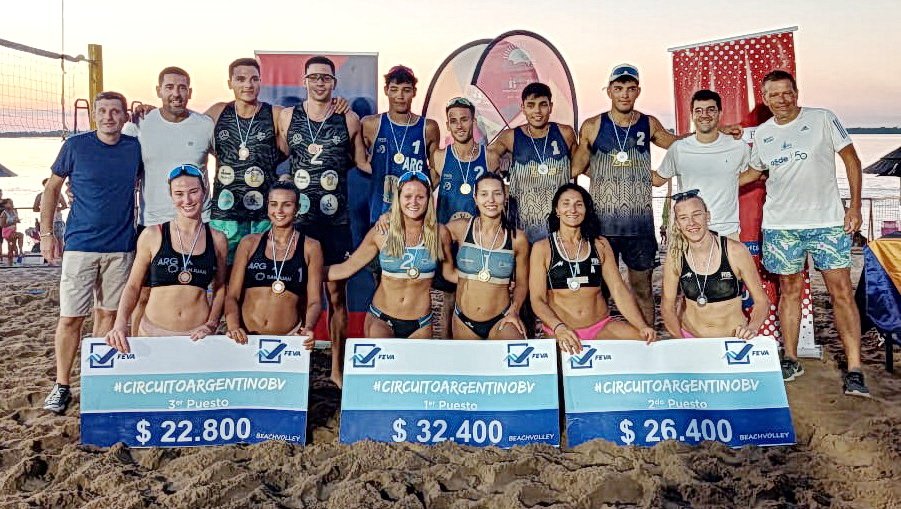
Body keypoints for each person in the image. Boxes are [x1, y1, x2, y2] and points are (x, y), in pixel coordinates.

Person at [745, 70, 869, 396]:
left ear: (796, 92)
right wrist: (715, 182)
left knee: (840, 291)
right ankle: (790, 357)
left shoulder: (823, 119)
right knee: (789, 291)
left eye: (788, 92)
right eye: (774, 94)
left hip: (827, 222)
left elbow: (852, 161)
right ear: (765, 98)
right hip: (782, 226)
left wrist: (854, 207)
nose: (782, 99)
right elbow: (755, 172)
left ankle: (855, 369)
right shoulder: (763, 134)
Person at [40, 91, 142, 414]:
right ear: (94, 116)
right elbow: (52, 189)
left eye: (116, 111)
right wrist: (46, 234)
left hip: (121, 247)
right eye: (103, 111)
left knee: (108, 316)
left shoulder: (134, 148)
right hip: (80, 246)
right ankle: (61, 385)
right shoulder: (75, 146)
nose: (110, 116)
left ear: (125, 117)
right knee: (71, 318)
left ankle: (96, 380)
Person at [570, 64, 682, 326]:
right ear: (609, 91)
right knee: (600, 290)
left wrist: (713, 133)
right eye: (618, 88)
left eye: (630, 89)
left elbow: (676, 143)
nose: (624, 94)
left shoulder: (647, 123)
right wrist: (603, 175)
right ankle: (603, 340)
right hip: (601, 226)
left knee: (642, 289)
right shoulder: (592, 125)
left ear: (638, 91)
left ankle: (649, 342)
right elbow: (575, 168)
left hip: (639, 227)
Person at [277, 55, 367, 374]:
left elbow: (362, 162)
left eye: (326, 78)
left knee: (336, 295)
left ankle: (336, 369)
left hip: (336, 222)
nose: (320, 83)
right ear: (304, 81)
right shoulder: (287, 117)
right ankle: (295, 367)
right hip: (298, 225)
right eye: (314, 78)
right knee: (295, 294)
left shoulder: (350, 119)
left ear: (334, 83)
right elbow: (274, 154)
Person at [124, 66, 215, 335]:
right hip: (154, 221)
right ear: (158, 90)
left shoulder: (204, 125)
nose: (176, 93)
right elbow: (122, 167)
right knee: (144, 294)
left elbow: (227, 163)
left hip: (199, 222)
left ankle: (193, 345)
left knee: (198, 293)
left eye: (182, 87)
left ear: (190, 91)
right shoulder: (141, 124)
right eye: (170, 87)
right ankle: (135, 349)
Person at [105, 164, 228, 354]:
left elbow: (220, 287)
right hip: (154, 332)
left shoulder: (217, 238)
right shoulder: (153, 234)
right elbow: (133, 286)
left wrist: (211, 324)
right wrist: (120, 324)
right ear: (171, 197)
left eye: (193, 192)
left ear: (204, 192)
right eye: (179, 194)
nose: (187, 200)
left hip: (197, 336)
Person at [327, 171, 449, 351]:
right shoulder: (382, 232)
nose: (413, 202)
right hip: (382, 320)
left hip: (421, 324)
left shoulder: (440, 233)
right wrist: (307, 272)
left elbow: (452, 273)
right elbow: (347, 268)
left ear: (429, 199)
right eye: (407, 196)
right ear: (398, 199)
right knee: (381, 372)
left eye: (420, 197)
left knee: (413, 375)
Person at [530, 184, 655, 354]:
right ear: (557, 210)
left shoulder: (600, 244)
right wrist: (558, 328)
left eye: (579, 204)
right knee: (562, 373)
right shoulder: (542, 248)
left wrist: (641, 325)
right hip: (561, 330)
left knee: (648, 343)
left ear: (586, 210)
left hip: (600, 327)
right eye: (566, 203)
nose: (572, 209)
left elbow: (618, 290)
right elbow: (537, 299)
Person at [204, 58, 285, 266]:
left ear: (260, 82)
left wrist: (337, 107)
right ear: (230, 82)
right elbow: (188, 132)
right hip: (225, 214)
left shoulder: (274, 114)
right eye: (240, 79)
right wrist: (152, 112)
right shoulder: (218, 111)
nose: (248, 85)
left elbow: (298, 145)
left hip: (264, 215)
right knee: (224, 278)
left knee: (262, 280)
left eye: (254, 79)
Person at [224, 182, 323, 345]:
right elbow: (232, 296)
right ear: (267, 206)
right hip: (245, 337)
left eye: (287, 205)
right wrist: (234, 326)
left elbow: (314, 300)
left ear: (297, 208)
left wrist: (309, 327)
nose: (279, 211)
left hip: (288, 339)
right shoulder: (249, 243)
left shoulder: (311, 247)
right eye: (273, 204)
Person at [661, 190, 770, 339]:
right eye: (683, 218)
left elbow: (762, 301)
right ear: (678, 224)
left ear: (708, 216)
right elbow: (667, 307)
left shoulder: (735, 251)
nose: (691, 223)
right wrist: (681, 340)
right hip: (690, 336)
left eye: (697, 214)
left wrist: (752, 328)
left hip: (731, 338)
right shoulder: (676, 255)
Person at [652, 90, 758, 239]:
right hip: (690, 232)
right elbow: (657, 179)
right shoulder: (678, 148)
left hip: (727, 233)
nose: (704, 115)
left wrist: (730, 181)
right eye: (699, 111)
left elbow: (754, 173)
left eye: (711, 110)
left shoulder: (738, 146)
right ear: (692, 115)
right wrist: (627, 167)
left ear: (720, 113)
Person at [487, 82, 577, 244]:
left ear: (550, 106)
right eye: (531, 105)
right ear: (523, 108)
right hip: (523, 222)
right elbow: (489, 155)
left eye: (543, 105)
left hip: (558, 222)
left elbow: (581, 164)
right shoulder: (511, 136)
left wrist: (561, 178)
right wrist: (500, 185)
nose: (537, 111)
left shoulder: (565, 133)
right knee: (525, 268)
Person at [442, 173, 529, 339]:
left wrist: (515, 310)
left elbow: (522, 284)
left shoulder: (517, 239)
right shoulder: (460, 228)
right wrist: (389, 217)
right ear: (475, 198)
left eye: (497, 193)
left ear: (505, 197)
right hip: (464, 321)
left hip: (502, 319)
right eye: (484, 194)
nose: (491, 200)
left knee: (513, 358)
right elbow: (426, 232)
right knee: (468, 365)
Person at [431, 96, 491, 335]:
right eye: (453, 121)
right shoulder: (439, 157)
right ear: (447, 124)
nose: (459, 125)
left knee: (479, 297)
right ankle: (447, 354)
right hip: (449, 241)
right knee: (448, 301)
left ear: (473, 121)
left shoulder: (490, 157)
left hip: (479, 240)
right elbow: (423, 192)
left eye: (464, 119)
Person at [360, 66, 440, 224]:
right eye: (394, 89)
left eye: (406, 90)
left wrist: (418, 197)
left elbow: (436, 171)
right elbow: (357, 163)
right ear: (386, 90)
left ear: (414, 92)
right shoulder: (371, 124)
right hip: (379, 216)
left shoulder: (428, 127)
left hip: (415, 216)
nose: (400, 96)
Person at [34, 177, 68, 259]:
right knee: (47, 238)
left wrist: (56, 209)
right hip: (46, 220)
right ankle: (50, 257)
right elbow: (35, 208)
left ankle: (60, 255)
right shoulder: (40, 195)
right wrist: (44, 209)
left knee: (59, 238)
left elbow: (64, 205)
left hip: (57, 219)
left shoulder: (59, 194)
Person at [0, 198, 23, 265]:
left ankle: (11, 261)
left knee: (11, 246)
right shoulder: (4, 214)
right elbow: (2, 225)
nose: (11, 204)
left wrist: (17, 221)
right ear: (5, 205)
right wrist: (13, 222)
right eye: (9, 203)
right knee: (19, 236)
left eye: (12, 202)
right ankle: (19, 252)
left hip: (13, 231)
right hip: (6, 232)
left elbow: (16, 220)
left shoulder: (15, 211)